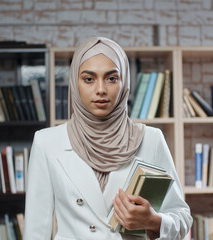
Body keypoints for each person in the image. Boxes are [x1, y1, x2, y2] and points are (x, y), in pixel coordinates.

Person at [24, 37, 192, 240]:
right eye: (89, 79)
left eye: (112, 78)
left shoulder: (151, 139)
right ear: (74, 83)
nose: (101, 89)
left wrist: (154, 221)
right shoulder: (47, 143)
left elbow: (182, 218)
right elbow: (35, 232)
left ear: (125, 82)